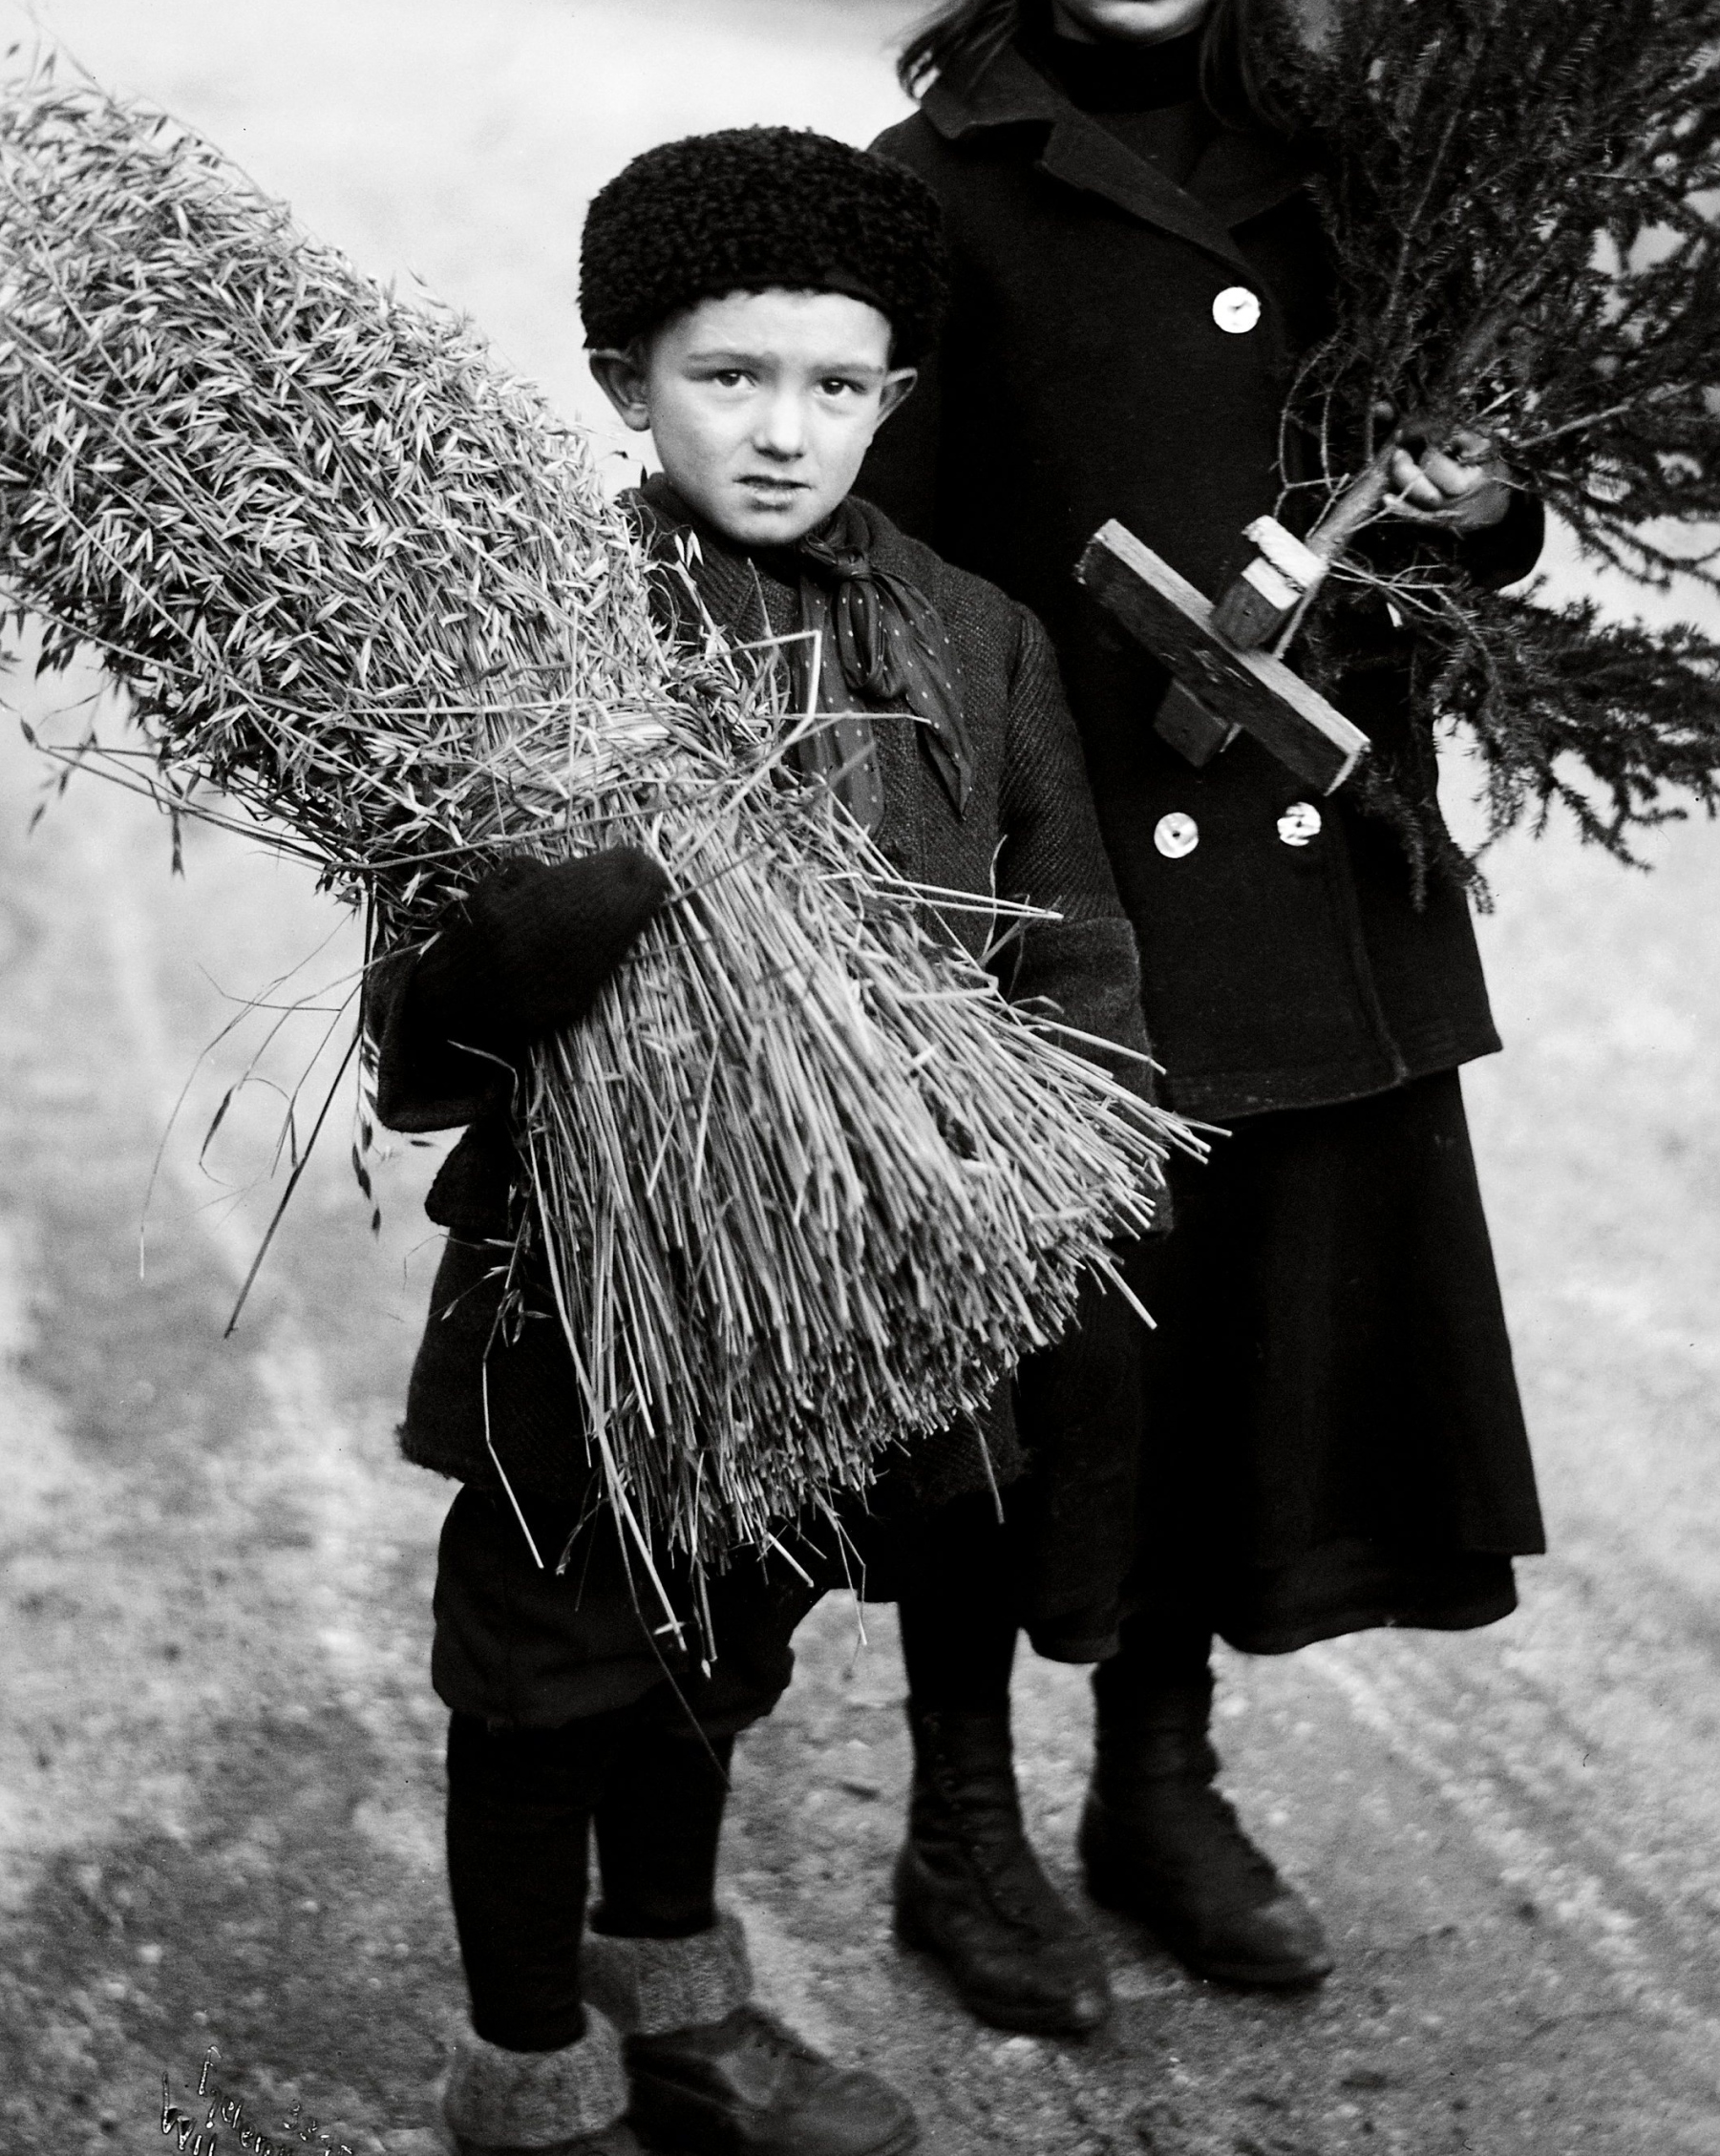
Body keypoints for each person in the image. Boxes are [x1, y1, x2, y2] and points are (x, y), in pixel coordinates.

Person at [860, 0, 1548, 2004]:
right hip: (1034, 891)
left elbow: (1468, 490)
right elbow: (861, 557)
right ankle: (962, 1830)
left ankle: (1160, 1787)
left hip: (1280, 881)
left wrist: (1479, 497)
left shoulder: (1362, 180)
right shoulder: (932, 198)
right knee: (1006, 1351)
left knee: (1221, 1331)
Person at [374, 128, 1157, 2156]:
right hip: (589, 1279)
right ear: (625, 374)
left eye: (838, 385)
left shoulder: (974, 639)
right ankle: (528, 2074)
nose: (788, 430)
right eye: (731, 378)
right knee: (546, 1668)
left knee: (718, 1653)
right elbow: (417, 1028)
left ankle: (687, 2009)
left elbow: (1071, 942)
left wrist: (1034, 1179)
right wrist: (540, 932)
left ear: (896, 395)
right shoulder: (521, 636)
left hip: (852, 1290)